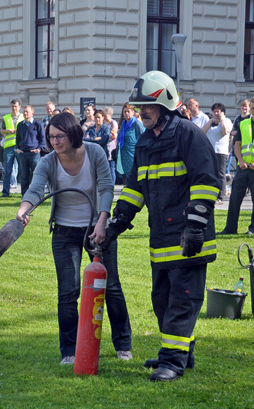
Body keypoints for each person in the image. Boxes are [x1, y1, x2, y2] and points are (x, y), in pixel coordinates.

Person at [104, 71, 220, 382]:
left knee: (183, 300)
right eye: (139, 107)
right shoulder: (145, 143)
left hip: (189, 238)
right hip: (161, 241)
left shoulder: (187, 135)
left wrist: (195, 226)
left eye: (148, 107)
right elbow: (134, 189)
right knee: (163, 301)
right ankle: (183, 352)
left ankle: (173, 361)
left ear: (166, 105)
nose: (142, 113)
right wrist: (118, 222)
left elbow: (207, 182)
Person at [16, 112, 133, 365]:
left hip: (96, 228)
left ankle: (123, 344)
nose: (55, 142)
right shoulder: (48, 162)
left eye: (60, 136)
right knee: (68, 292)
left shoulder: (94, 153)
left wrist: (102, 223)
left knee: (111, 287)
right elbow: (35, 189)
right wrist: (23, 211)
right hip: (64, 232)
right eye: (51, 137)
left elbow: (105, 187)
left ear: (73, 134)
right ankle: (69, 351)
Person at [219, 95, 254, 235]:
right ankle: (230, 228)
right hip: (243, 167)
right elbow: (237, 144)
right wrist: (241, 161)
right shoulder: (244, 123)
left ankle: (252, 229)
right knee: (234, 199)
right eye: (252, 107)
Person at [202, 103, 231, 204]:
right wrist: (210, 121)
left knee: (220, 174)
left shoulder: (227, 121)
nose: (216, 113)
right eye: (214, 111)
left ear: (223, 112)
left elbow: (225, 132)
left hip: (221, 152)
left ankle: (221, 195)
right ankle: (211, 194)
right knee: (210, 173)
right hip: (210, 151)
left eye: (218, 111)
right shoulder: (210, 122)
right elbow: (202, 132)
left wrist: (222, 120)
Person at [15, 105, 46, 195]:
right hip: (23, 153)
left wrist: (39, 149)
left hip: (34, 153)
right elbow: (17, 139)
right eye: (24, 111)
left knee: (36, 174)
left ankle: (37, 193)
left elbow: (42, 139)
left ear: (32, 113)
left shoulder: (37, 124)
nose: (25, 113)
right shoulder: (20, 125)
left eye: (27, 112)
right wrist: (18, 148)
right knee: (24, 175)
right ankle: (24, 195)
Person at [115, 103, 144, 183]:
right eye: (125, 112)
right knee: (126, 175)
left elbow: (144, 137)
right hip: (124, 155)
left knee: (134, 175)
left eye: (128, 111)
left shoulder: (137, 124)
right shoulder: (123, 124)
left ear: (133, 112)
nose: (126, 113)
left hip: (133, 155)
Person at [1, 99, 24, 196]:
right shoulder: (6, 117)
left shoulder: (23, 117)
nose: (14, 108)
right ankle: (5, 192)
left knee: (23, 170)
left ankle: (24, 191)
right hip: (9, 147)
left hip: (20, 146)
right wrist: (7, 131)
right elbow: (1, 131)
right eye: (12, 106)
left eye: (16, 106)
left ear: (19, 107)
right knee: (8, 171)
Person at [102, 106, 118, 184]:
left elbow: (113, 135)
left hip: (111, 147)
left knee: (111, 167)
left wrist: (103, 138)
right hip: (104, 147)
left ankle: (112, 184)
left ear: (110, 114)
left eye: (105, 115)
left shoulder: (113, 123)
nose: (104, 116)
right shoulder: (103, 123)